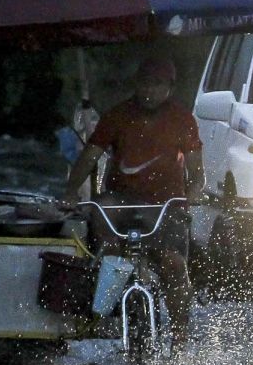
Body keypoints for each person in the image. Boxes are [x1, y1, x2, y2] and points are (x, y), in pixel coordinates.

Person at [61, 56, 205, 346]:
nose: (149, 91)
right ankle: (100, 311)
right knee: (107, 248)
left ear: (170, 88)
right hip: (122, 202)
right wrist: (70, 191)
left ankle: (180, 335)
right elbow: (91, 155)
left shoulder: (182, 119)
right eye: (145, 84)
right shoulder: (117, 116)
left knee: (174, 264)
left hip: (166, 206)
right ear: (136, 85)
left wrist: (193, 193)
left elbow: (196, 171)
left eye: (157, 85)